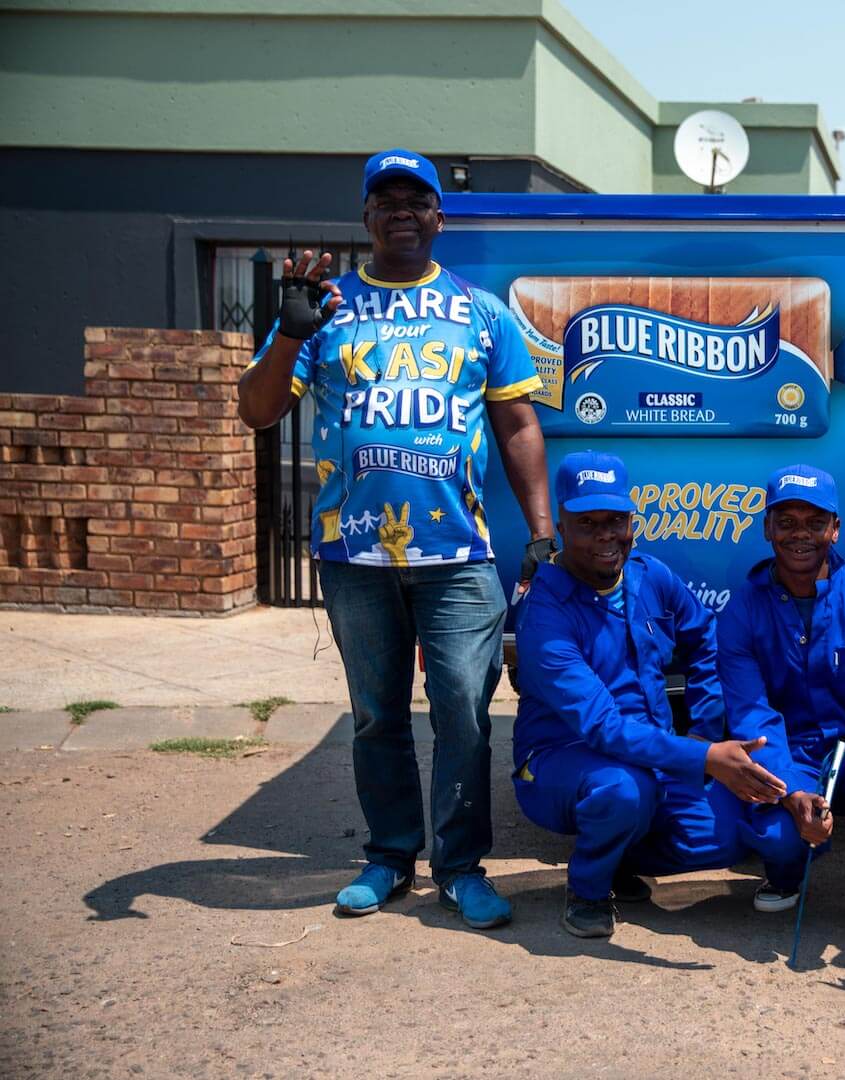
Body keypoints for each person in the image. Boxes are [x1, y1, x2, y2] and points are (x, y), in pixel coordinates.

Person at [237, 148, 555, 930]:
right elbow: (256, 411)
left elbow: (518, 424)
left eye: (417, 199)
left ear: (440, 218)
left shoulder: (482, 312)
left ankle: (461, 867)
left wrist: (542, 530)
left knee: (465, 716)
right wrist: (290, 334)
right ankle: (388, 857)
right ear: (366, 217)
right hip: (355, 558)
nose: (402, 210)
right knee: (377, 716)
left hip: (459, 557)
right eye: (387, 199)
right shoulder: (326, 307)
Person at [511, 451, 789, 938]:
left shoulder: (649, 575)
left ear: (632, 521)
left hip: (654, 754)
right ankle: (588, 887)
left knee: (726, 839)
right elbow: (602, 728)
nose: (605, 535)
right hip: (563, 759)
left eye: (615, 521)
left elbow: (705, 638)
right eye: (587, 523)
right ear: (561, 526)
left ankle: (618, 853)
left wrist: (704, 730)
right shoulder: (544, 614)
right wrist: (704, 757)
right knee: (623, 791)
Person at [714, 464, 845, 942]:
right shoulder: (742, 610)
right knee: (780, 837)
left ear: (835, 529)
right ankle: (786, 873)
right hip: (789, 753)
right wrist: (793, 792)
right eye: (787, 522)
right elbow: (750, 712)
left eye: (815, 522)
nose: (800, 534)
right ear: (767, 528)